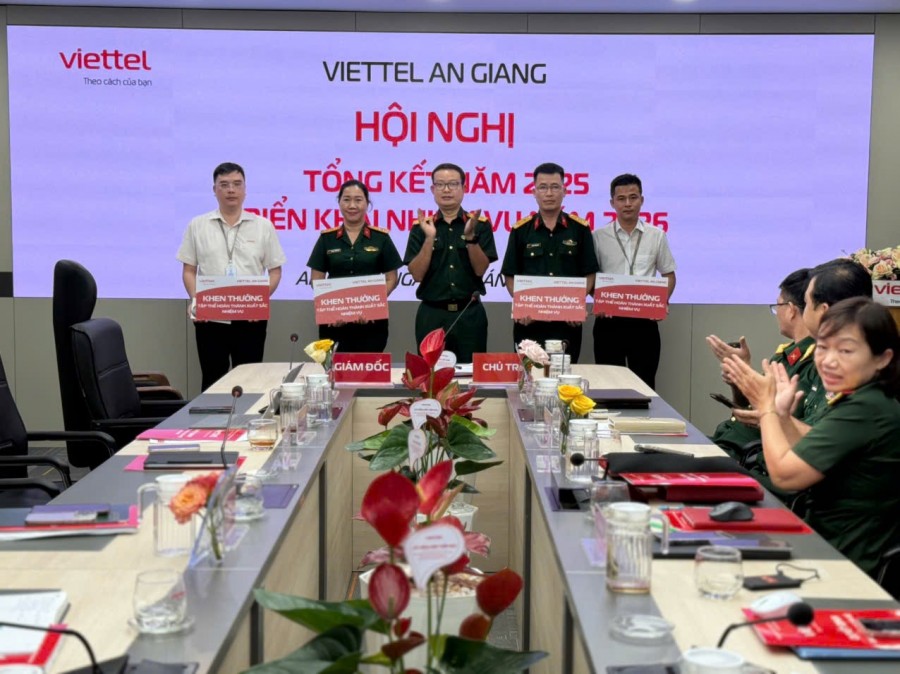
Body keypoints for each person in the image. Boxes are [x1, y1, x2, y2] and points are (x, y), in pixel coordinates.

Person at [722, 298, 900, 576]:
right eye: (823, 347)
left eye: (845, 350)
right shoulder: (864, 398)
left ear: (883, 358)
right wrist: (782, 416)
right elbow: (807, 450)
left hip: (842, 565)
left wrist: (766, 408)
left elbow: (785, 476)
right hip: (820, 545)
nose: (828, 361)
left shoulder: (866, 409)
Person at [177, 162, 286, 390]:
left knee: (250, 381)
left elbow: (275, 271)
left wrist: (260, 300)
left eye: (237, 184)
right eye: (224, 185)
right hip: (210, 317)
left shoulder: (263, 226)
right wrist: (196, 300)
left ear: (245, 189)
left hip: (250, 318)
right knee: (212, 379)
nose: (231, 190)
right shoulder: (198, 225)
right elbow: (189, 270)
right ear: (214, 189)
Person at [706, 268, 816, 461]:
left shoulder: (816, 363)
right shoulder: (782, 357)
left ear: (791, 310)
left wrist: (770, 415)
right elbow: (748, 411)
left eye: (777, 305)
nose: (776, 313)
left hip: (747, 455)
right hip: (730, 442)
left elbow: (803, 437)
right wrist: (740, 378)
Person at [501, 162, 598, 362]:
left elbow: (589, 272)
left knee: (565, 375)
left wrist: (576, 305)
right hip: (529, 324)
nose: (549, 193)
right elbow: (510, 275)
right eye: (543, 187)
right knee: (529, 376)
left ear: (564, 191)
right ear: (534, 192)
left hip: (567, 324)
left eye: (555, 187)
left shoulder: (580, 229)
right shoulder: (521, 230)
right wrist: (522, 305)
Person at [403, 163, 497, 362]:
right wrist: (429, 238)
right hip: (431, 315)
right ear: (432, 189)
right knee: (430, 375)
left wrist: (470, 237)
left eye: (453, 184)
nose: (446, 190)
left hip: (469, 314)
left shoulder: (479, 225)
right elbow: (417, 275)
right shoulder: (421, 227)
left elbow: (480, 270)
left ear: (464, 188)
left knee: (472, 374)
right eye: (440, 185)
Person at [592, 174, 676, 389]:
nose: (627, 203)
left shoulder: (656, 235)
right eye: (621, 199)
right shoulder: (597, 236)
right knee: (609, 387)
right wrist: (600, 299)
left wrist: (661, 302)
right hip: (609, 323)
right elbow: (591, 277)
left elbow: (669, 274)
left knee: (644, 387)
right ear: (612, 203)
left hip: (644, 324)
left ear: (642, 200)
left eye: (633, 197)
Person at [307, 180, 402, 353]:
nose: (352, 205)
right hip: (334, 323)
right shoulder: (327, 238)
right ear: (339, 203)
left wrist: (372, 305)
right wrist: (331, 308)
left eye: (358, 200)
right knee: (335, 368)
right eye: (346, 199)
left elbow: (391, 278)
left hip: (372, 324)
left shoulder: (381, 238)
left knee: (369, 368)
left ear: (367, 203)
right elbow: (316, 278)